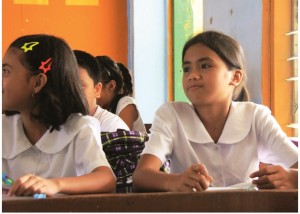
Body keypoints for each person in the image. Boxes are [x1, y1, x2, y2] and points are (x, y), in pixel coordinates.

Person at [133, 31, 298, 192]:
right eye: (187, 68)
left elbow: (295, 165)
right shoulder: (171, 114)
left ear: (235, 77)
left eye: (204, 66)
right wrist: (175, 181)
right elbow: (141, 176)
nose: (193, 75)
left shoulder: (256, 116)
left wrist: (291, 178)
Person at [2, 34, 116, 197]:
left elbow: (106, 179)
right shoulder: (4, 127)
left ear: (38, 82)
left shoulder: (79, 128)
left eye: (6, 71)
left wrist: (55, 184)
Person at [73, 50, 129, 132]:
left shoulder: (113, 129)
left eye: (81, 85)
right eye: (65, 84)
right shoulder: (55, 126)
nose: (71, 91)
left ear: (97, 90)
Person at [95, 56, 146, 133]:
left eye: (96, 87)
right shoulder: (101, 108)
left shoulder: (126, 103)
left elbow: (119, 139)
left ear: (111, 86)